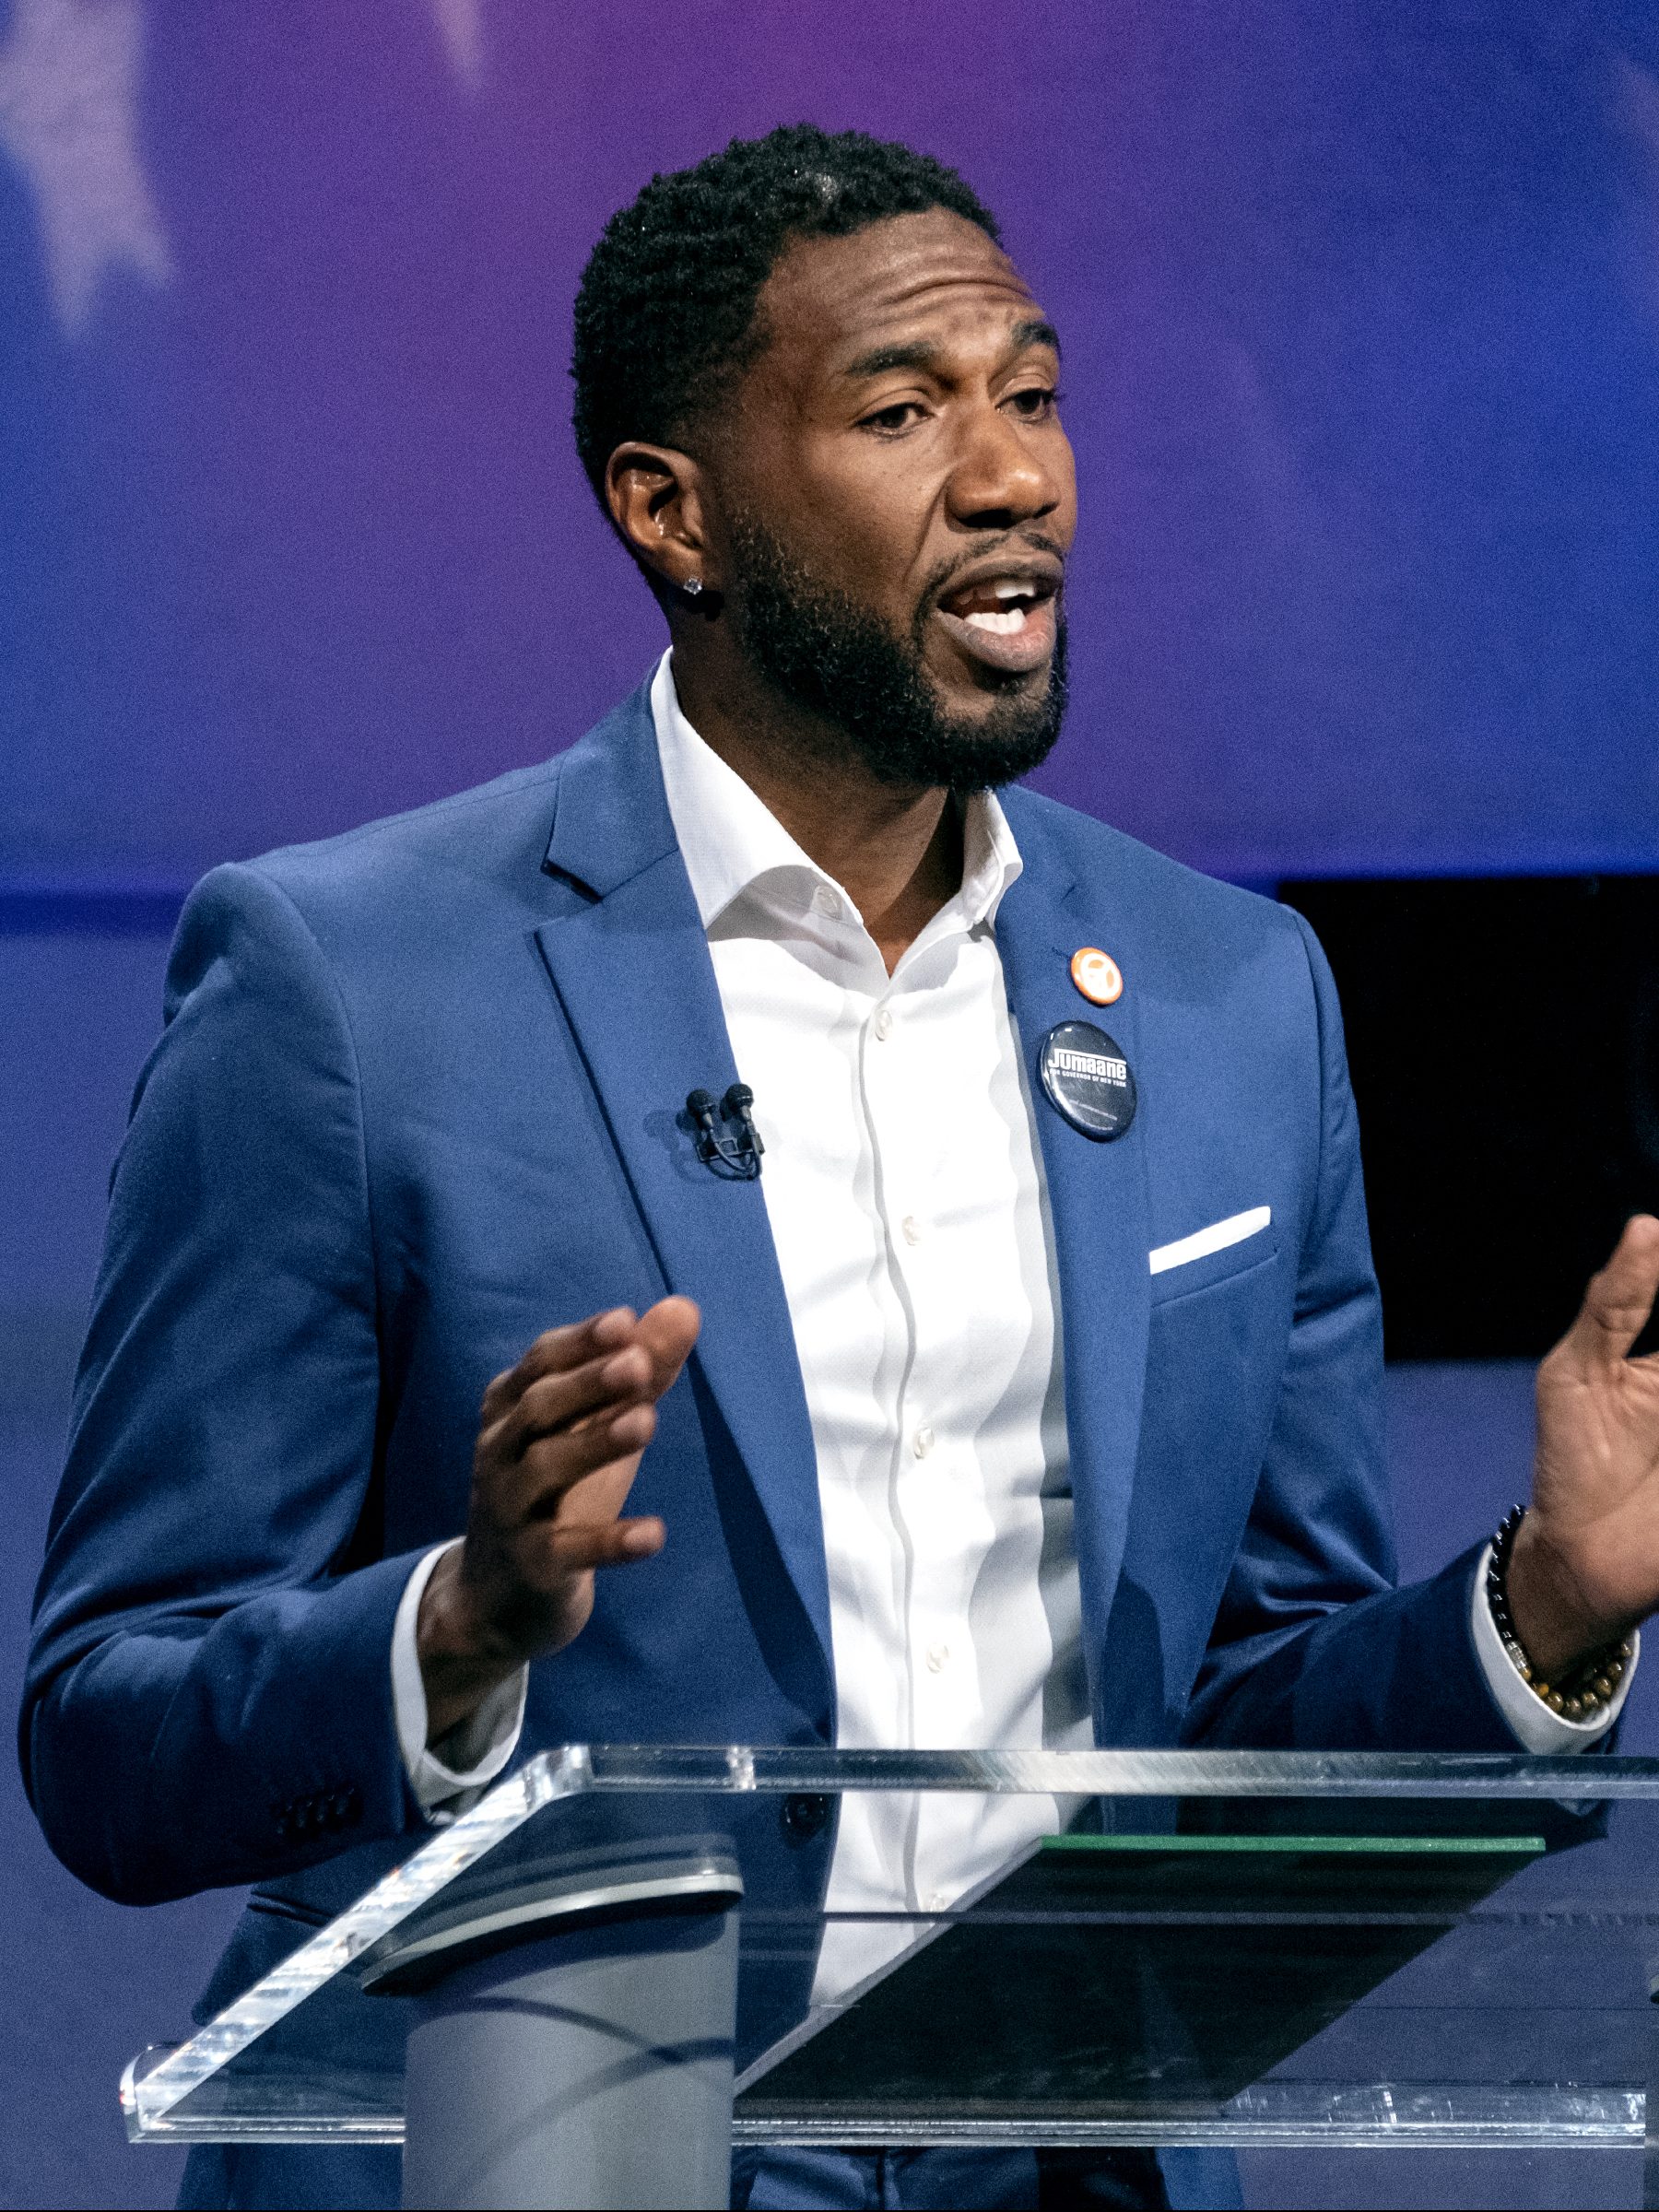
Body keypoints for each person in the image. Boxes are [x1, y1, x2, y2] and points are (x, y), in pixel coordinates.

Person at [22, 124, 1659, 2212]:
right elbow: (107, 1727)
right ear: (672, 513)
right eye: (904, 411)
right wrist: (457, 1623)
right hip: (529, 2162)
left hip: (1066, 2167)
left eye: (1035, 395)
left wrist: (1541, 1611)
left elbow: (1257, 1722)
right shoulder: (349, 985)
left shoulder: (1234, 998)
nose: (1015, 476)